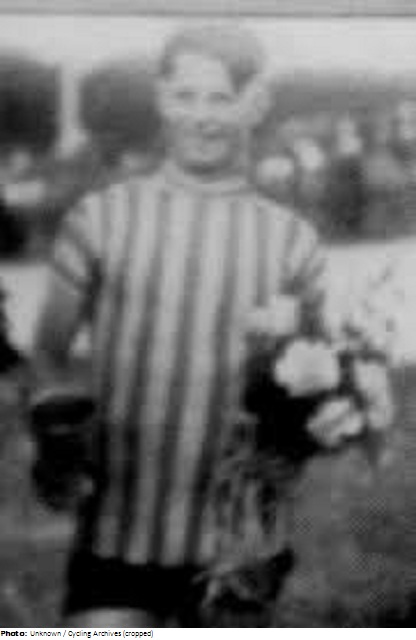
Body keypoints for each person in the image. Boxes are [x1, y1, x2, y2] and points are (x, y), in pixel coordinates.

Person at [30, 25, 327, 628]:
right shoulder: (102, 218)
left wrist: (297, 444)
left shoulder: (293, 240)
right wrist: (57, 446)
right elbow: (48, 353)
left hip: (240, 544)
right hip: (118, 529)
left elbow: (315, 385)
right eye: (186, 96)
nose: (202, 117)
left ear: (256, 104)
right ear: (162, 97)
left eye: (221, 98)